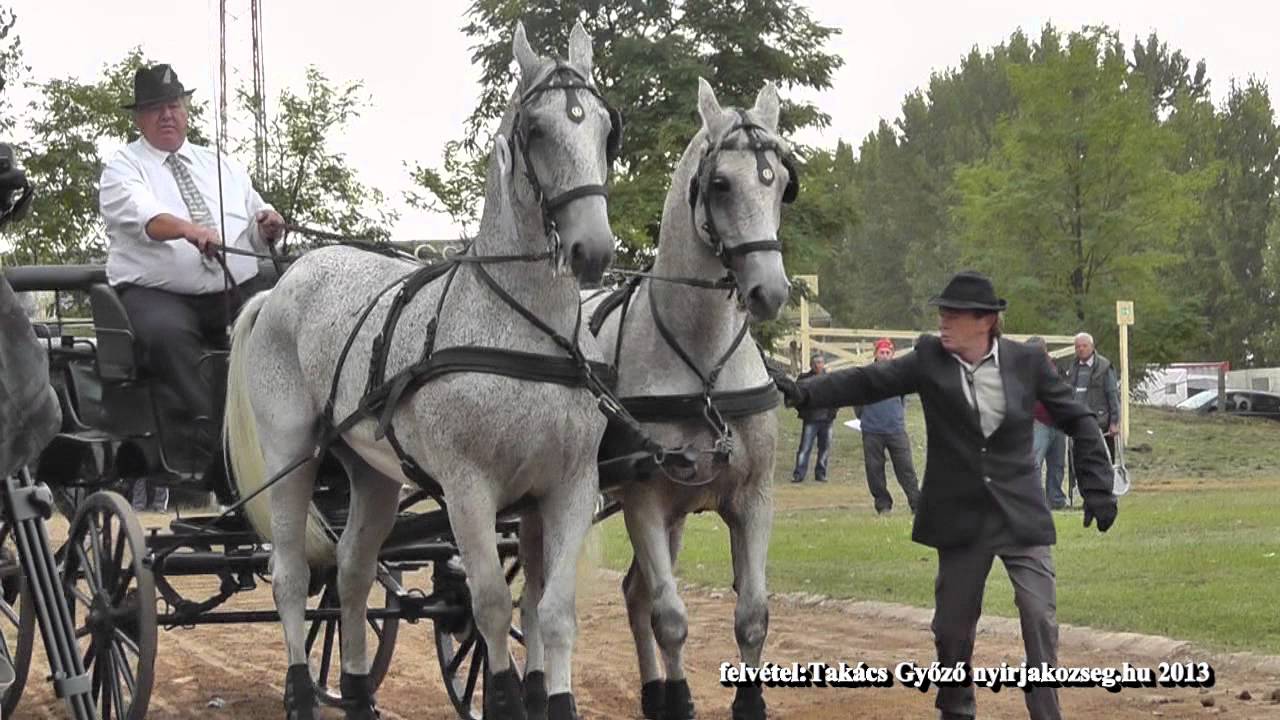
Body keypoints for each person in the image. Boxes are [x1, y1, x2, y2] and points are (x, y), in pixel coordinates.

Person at [775, 270, 1117, 720]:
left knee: (1039, 616)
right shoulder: (928, 359)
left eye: (953, 314)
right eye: (941, 312)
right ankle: (956, 709)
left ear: (985, 321)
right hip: (961, 519)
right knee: (952, 631)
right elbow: (869, 381)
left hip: (1020, 514)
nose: (943, 321)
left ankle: (1046, 712)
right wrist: (805, 391)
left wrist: (1097, 488)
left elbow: (1079, 419)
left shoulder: (1026, 363)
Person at [98, 64, 285, 510]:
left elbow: (253, 224)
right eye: (155, 108)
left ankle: (290, 427)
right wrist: (189, 229)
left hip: (229, 287)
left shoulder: (218, 162)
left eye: (174, 104)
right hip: (158, 293)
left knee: (282, 316)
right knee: (166, 337)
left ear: (185, 109)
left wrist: (268, 226)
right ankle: (217, 446)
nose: (167, 114)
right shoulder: (124, 167)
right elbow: (146, 217)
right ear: (139, 118)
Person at [856, 338, 920, 514]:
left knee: (906, 468)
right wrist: (865, 418)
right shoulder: (866, 375)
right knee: (874, 470)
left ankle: (917, 504)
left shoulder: (900, 375)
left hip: (895, 429)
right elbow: (857, 402)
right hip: (872, 430)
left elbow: (902, 400)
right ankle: (883, 505)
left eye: (887, 353)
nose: (884, 356)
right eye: (881, 352)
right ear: (875, 354)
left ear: (892, 354)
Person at [1062, 332, 1120, 499]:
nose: (1080, 349)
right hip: (1077, 424)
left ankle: (1107, 495)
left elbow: (1112, 395)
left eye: (1084, 345)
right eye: (1077, 346)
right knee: (1079, 463)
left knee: (1103, 462)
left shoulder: (1104, 367)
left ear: (1092, 347)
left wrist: (1115, 422)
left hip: (1100, 424)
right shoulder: (1072, 368)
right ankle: (1085, 496)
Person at [1027, 337, 1068, 509]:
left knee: (1057, 464)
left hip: (1058, 422)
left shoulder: (1055, 367)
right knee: (1035, 462)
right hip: (1039, 421)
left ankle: (1056, 499)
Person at [791, 354, 837, 483]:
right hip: (811, 418)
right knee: (805, 448)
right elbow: (796, 398)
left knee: (824, 448)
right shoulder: (804, 379)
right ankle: (799, 474)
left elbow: (837, 396)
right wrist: (803, 410)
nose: (818, 365)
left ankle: (821, 474)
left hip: (827, 419)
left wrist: (833, 411)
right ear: (811, 364)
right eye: (816, 362)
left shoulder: (830, 379)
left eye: (821, 362)